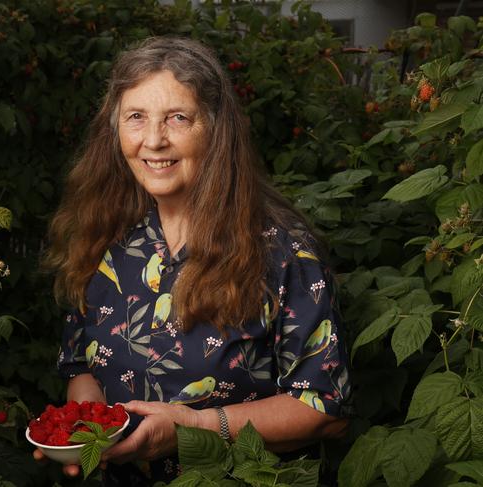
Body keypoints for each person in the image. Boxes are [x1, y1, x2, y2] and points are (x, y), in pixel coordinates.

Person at [36, 36, 350, 485]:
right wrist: (90, 434)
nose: (153, 140)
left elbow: (324, 409)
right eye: (136, 117)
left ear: (216, 129)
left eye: (178, 118)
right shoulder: (107, 240)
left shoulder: (283, 252)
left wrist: (195, 427)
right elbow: (81, 365)